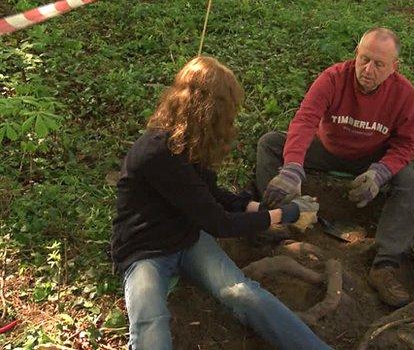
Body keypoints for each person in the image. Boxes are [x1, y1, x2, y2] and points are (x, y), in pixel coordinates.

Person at [110, 56, 331, 350]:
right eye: (226, 112)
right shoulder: (157, 153)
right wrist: (285, 214)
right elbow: (219, 222)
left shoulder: (189, 141)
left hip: (187, 240)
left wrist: (256, 208)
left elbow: (210, 193)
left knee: (243, 293)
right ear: (207, 110)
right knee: (151, 322)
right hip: (144, 251)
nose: (229, 120)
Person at [256, 27, 414, 308]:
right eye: (364, 59)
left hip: (370, 157)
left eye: (379, 64)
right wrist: (293, 168)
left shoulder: (404, 95)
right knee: (270, 143)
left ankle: (385, 264)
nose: (368, 69)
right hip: (327, 149)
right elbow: (305, 120)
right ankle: (277, 222)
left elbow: (407, 144)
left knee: (407, 180)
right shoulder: (333, 78)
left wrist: (380, 172)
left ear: (394, 67)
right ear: (356, 54)